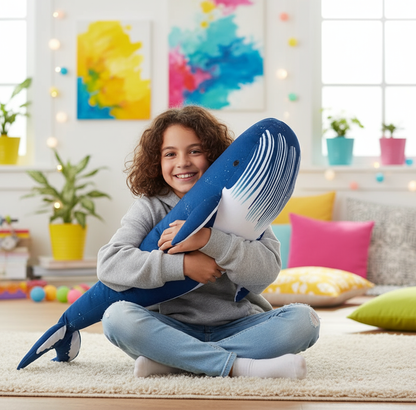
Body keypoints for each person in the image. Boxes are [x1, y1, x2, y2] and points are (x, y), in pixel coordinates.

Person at [98, 105, 320, 379]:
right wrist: (182, 266)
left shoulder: (244, 204)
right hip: (169, 328)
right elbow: (109, 264)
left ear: (215, 155)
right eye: (170, 154)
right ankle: (240, 366)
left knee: (304, 321)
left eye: (195, 151)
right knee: (116, 318)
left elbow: (266, 272)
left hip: (240, 324)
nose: (183, 162)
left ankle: (174, 362)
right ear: (157, 162)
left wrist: (210, 240)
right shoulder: (150, 207)